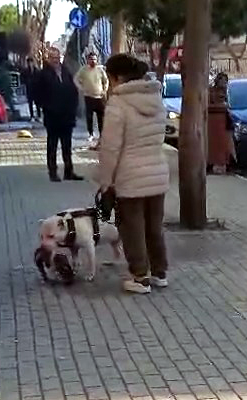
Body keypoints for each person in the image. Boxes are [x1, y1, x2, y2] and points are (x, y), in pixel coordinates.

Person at [96, 54, 170, 294]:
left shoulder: (118, 104)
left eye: (109, 78)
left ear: (116, 77)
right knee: (154, 226)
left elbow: (110, 148)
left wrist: (106, 182)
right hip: (158, 173)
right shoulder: (155, 97)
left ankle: (139, 276)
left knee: (132, 228)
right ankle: (159, 273)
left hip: (130, 177)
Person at [33, 47, 83, 182]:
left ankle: (69, 171)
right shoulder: (43, 74)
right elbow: (37, 94)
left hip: (67, 115)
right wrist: (46, 106)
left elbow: (73, 90)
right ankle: (53, 172)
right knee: (52, 145)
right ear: (48, 59)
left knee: (67, 146)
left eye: (57, 57)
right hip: (52, 116)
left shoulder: (66, 72)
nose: (55, 60)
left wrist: (74, 107)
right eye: (52, 58)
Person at [74, 53, 109, 143]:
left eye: (94, 59)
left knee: (101, 117)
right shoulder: (83, 70)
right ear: (88, 60)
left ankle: (102, 135)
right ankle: (91, 134)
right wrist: (81, 88)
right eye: (91, 59)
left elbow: (106, 81)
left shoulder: (100, 70)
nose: (93, 61)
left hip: (99, 97)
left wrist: (104, 90)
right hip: (88, 97)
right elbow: (76, 79)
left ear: (97, 60)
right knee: (89, 117)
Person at [21, 57, 41, 121]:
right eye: (29, 63)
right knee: (30, 103)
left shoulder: (37, 71)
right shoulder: (26, 71)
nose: (30, 64)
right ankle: (32, 116)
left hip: (36, 89)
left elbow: (39, 79)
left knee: (37, 103)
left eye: (31, 62)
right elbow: (22, 78)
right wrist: (26, 82)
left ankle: (39, 116)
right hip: (29, 89)